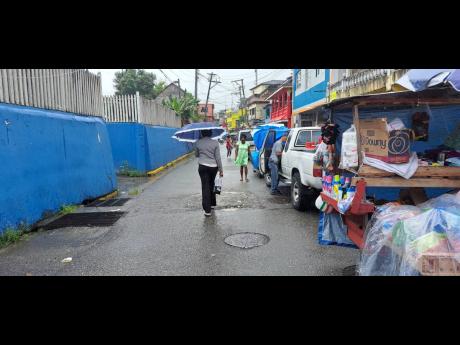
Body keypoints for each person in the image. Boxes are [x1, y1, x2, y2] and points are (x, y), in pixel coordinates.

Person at [195, 129, 223, 217]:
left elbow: (196, 155)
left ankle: (207, 211)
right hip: (213, 167)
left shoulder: (198, 142)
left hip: (203, 166)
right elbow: (218, 157)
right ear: (211, 133)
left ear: (202, 133)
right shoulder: (215, 143)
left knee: (205, 186)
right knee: (211, 185)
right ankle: (212, 204)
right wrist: (221, 170)